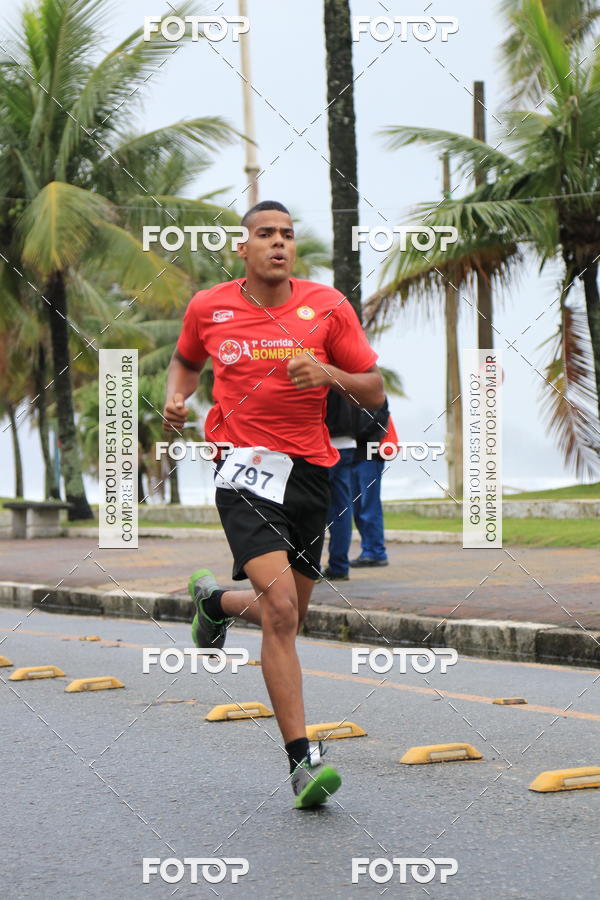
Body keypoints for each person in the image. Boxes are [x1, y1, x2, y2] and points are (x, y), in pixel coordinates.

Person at [163, 201, 384, 809]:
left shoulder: (327, 306)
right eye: (265, 234)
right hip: (244, 472)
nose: (279, 243)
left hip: (311, 476)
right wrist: (177, 398)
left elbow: (373, 387)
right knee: (282, 611)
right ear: (244, 248)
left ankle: (215, 603)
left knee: (286, 615)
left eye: (287, 234)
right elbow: (185, 361)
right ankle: (302, 762)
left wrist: (329, 374)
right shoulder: (209, 307)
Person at [350, 402, 398, 568]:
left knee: (369, 507)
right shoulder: (349, 396)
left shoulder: (374, 397)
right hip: (353, 457)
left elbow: (377, 420)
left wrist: (349, 434)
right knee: (358, 509)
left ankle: (375, 552)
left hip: (370, 457)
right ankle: (369, 550)